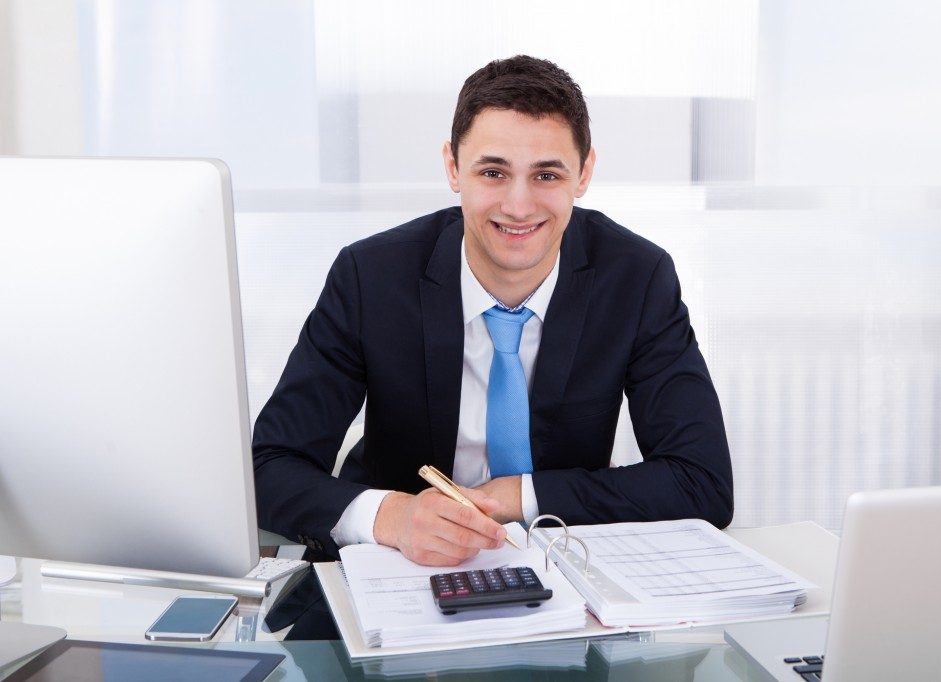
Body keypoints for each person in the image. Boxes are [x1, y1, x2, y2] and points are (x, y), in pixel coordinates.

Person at [252, 55, 732, 568]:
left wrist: (519, 498)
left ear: (585, 172)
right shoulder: (370, 277)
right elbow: (269, 466)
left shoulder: (636, 279)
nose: (518, 206)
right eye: (493, 172)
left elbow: (702, 481)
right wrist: (392, 516)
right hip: (397, 567)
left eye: (546, 174)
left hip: (561, 564)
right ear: (453, 168)